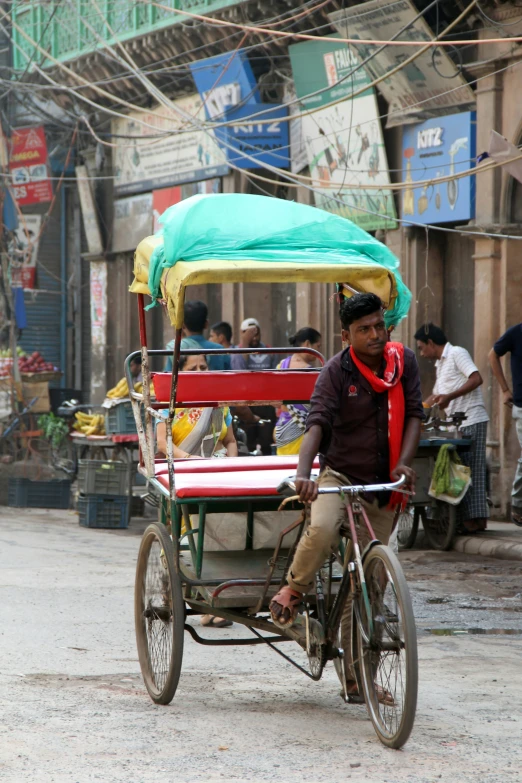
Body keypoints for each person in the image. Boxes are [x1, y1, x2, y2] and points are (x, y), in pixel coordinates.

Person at [270, 293, 423, 701]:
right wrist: (305, 476)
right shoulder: (336, 372)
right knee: (319, 528)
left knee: (370, 585)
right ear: (346, 335)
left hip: (383, 483)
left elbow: (414, 415)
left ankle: (357, 681)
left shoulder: (403, 362)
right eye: (364, 330)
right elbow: (316, 424)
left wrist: (404, 464)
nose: (375, 335)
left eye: (379, 326)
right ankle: (294, 589)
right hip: (338, 476)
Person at [415, 323, 489, 533]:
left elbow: (476, 379)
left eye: (421, 347)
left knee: (471, 469)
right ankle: (464, 520)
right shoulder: (440, 365)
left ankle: (476, 520)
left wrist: (450, 397)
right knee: (459, 469)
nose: (422, 353)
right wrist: (417, 412)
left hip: (473, 417)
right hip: (458, 424)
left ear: (431, 343)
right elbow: (435, 396)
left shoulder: (457, 353)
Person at [156, 354, 238, 460]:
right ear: (180, 372)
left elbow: (230, 441)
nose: (199, 372)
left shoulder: (217, 402)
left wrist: (232, 465)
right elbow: (162, 443)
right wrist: (189, 458)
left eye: (203, 368)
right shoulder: (168, 403)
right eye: (192, 369)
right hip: (183, 466)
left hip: (220, 465)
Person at [489, 323, 522, 526]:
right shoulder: (516, 332)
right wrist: (504, 389)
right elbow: (492, 355)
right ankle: (517, 504)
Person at [231, 317, 278, 455]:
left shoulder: (268, 350)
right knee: (248, 441)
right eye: (249, 333)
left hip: (266, 401)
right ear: (242, 333)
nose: (254, 337)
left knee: (266, 441)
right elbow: (239, 370)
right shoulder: (236, 351)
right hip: (246, 403)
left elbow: (274, 374)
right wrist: (245, 343)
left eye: (256, 333)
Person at [275, 327, 322, 455]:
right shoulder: (309, 372)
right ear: (307, 344)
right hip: (300, 432)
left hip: (282, 430)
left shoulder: (281, 365)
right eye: (318, 346)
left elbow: (277, 402)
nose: (319, 351)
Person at [165, 300, 231, 372]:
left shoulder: (177, 349)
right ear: (206, 324)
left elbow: (169, 377)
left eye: (203, 368)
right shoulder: (220, 350)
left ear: (183, 326)